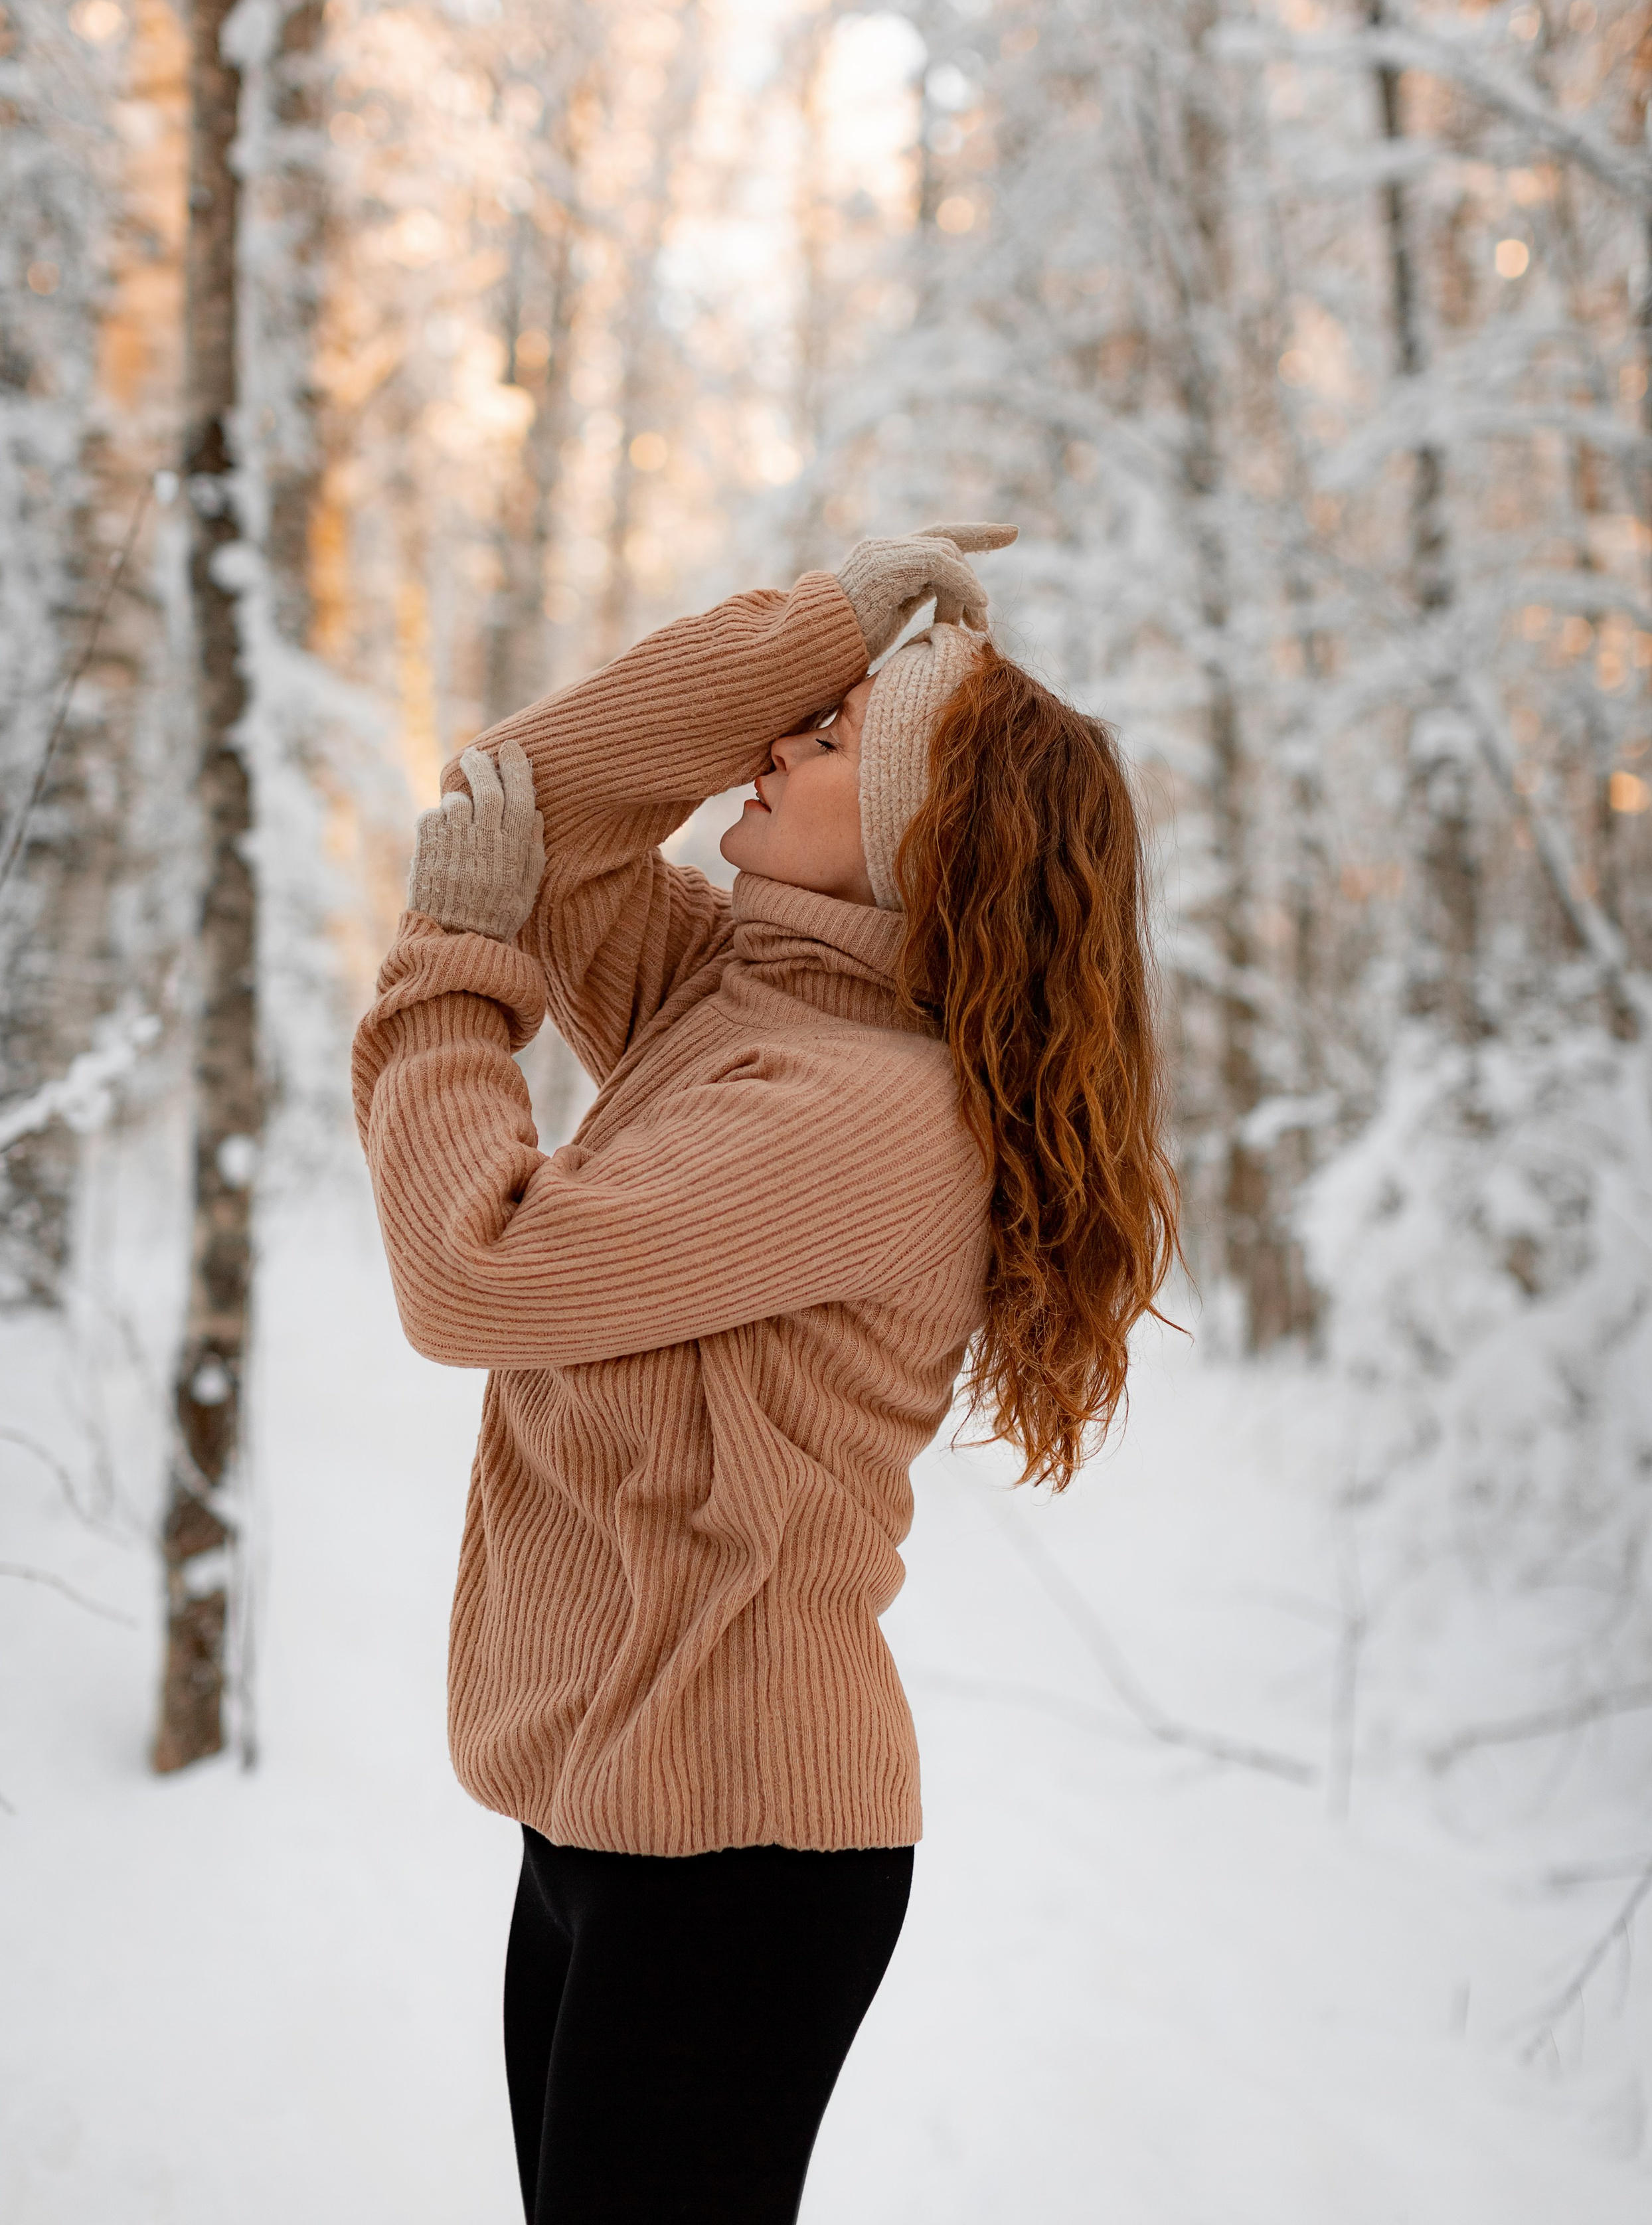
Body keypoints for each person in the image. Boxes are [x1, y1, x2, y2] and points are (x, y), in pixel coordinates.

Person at [351, 525, 1179, 2224]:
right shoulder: (742, 993)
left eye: (834, 735)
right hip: (611, 1816)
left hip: (735, 1857)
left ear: (918, 838)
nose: (778, 738)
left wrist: (451, 969)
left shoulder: (861, 1109)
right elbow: (532, 793)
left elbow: (475, 1268)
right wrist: (826, 621)